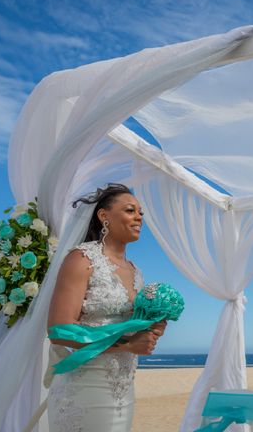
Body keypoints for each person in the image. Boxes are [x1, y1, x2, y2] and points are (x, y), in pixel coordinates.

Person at [46, 184, 166, 432]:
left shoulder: (136, 272)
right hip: (86, 386)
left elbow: (128, 327)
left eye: (140, 213)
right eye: (130, 210)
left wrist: (150, 329)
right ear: (104, 216)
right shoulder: (82, 260)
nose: (139, 217)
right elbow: (59, 330)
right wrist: (128, 345)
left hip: (123, 389)